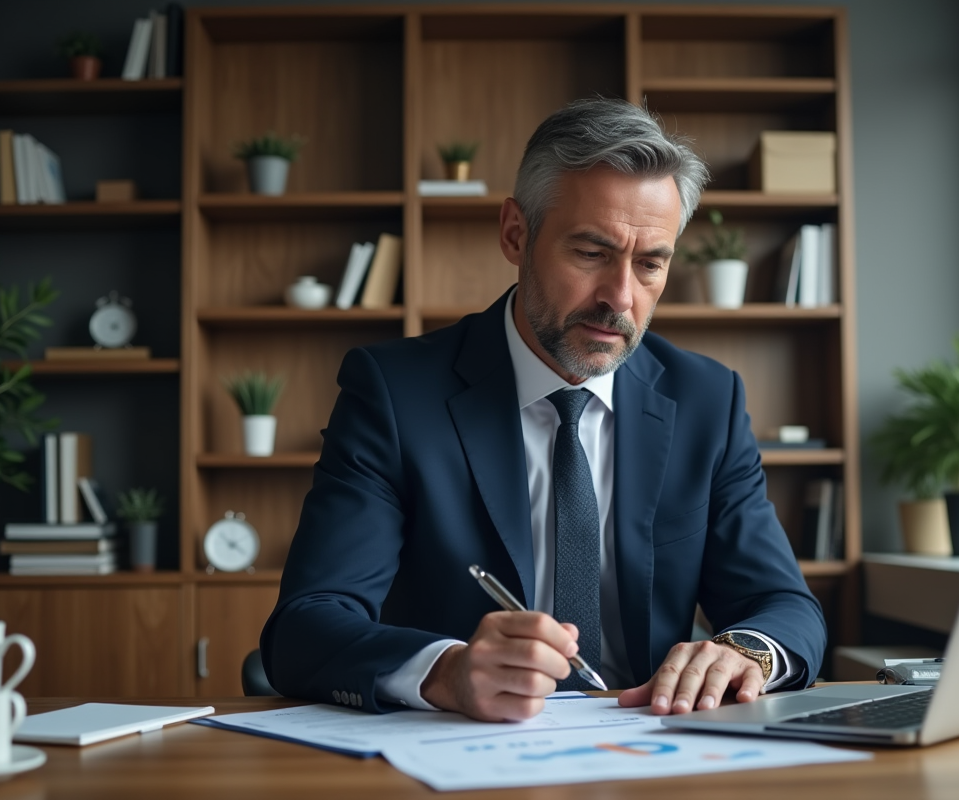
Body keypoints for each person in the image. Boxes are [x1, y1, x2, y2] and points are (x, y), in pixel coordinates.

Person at [261, 98, 826, 722]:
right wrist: (444, 671)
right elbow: (304, 627)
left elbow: (785, 605)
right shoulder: (394, 393)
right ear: (515, 234)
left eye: (650, 264)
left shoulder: (706, 401)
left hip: (648, 747)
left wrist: (746, 651)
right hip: (460, 752)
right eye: (590, 253)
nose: (620, 298)